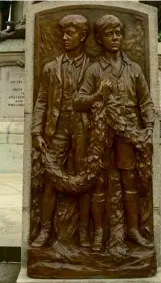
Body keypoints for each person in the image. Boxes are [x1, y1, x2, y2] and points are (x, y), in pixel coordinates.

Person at [74, 14, 155, 247]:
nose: (115, 38)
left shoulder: (134, 68)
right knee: (99, 181)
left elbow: (146, 102)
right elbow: (78, 101)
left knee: (129, 179)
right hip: (101, 131)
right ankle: (99, 232)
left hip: (128, 129)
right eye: (109, 34)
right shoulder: (94, 69)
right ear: (99, 39)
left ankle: (132, 230)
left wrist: (148, 126)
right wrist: (98, 95)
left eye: (118, 33)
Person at [31, 14, 92, 248]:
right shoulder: (50, 68)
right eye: (63, 33)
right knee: (50, 180)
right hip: (56, 128)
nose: (65, 38)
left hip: (83, 129)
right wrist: (36, 132)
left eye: (70, 33)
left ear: (83, 36)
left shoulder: (94, 67)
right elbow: (41, 102)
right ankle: (45, 230)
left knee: (86, 180)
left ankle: (83, 232)